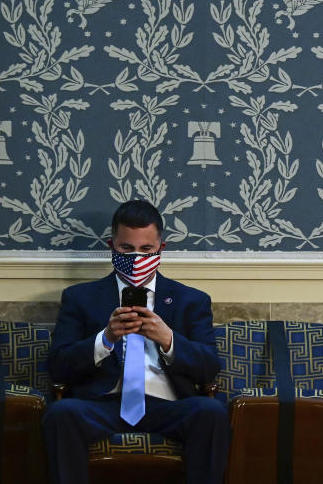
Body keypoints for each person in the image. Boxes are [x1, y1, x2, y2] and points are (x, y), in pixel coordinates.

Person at [43, 200, 229, 484]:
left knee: (211, 411)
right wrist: (105, 339)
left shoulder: (191, 300)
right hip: (103, 404)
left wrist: (168, 339)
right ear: (111, 246)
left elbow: (209, 367)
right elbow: (58, 366)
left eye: (146, 250)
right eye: (126, 249)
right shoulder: (80, 298)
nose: (136, 257)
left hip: (168, 405)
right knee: (61, 413)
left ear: (161, 249)